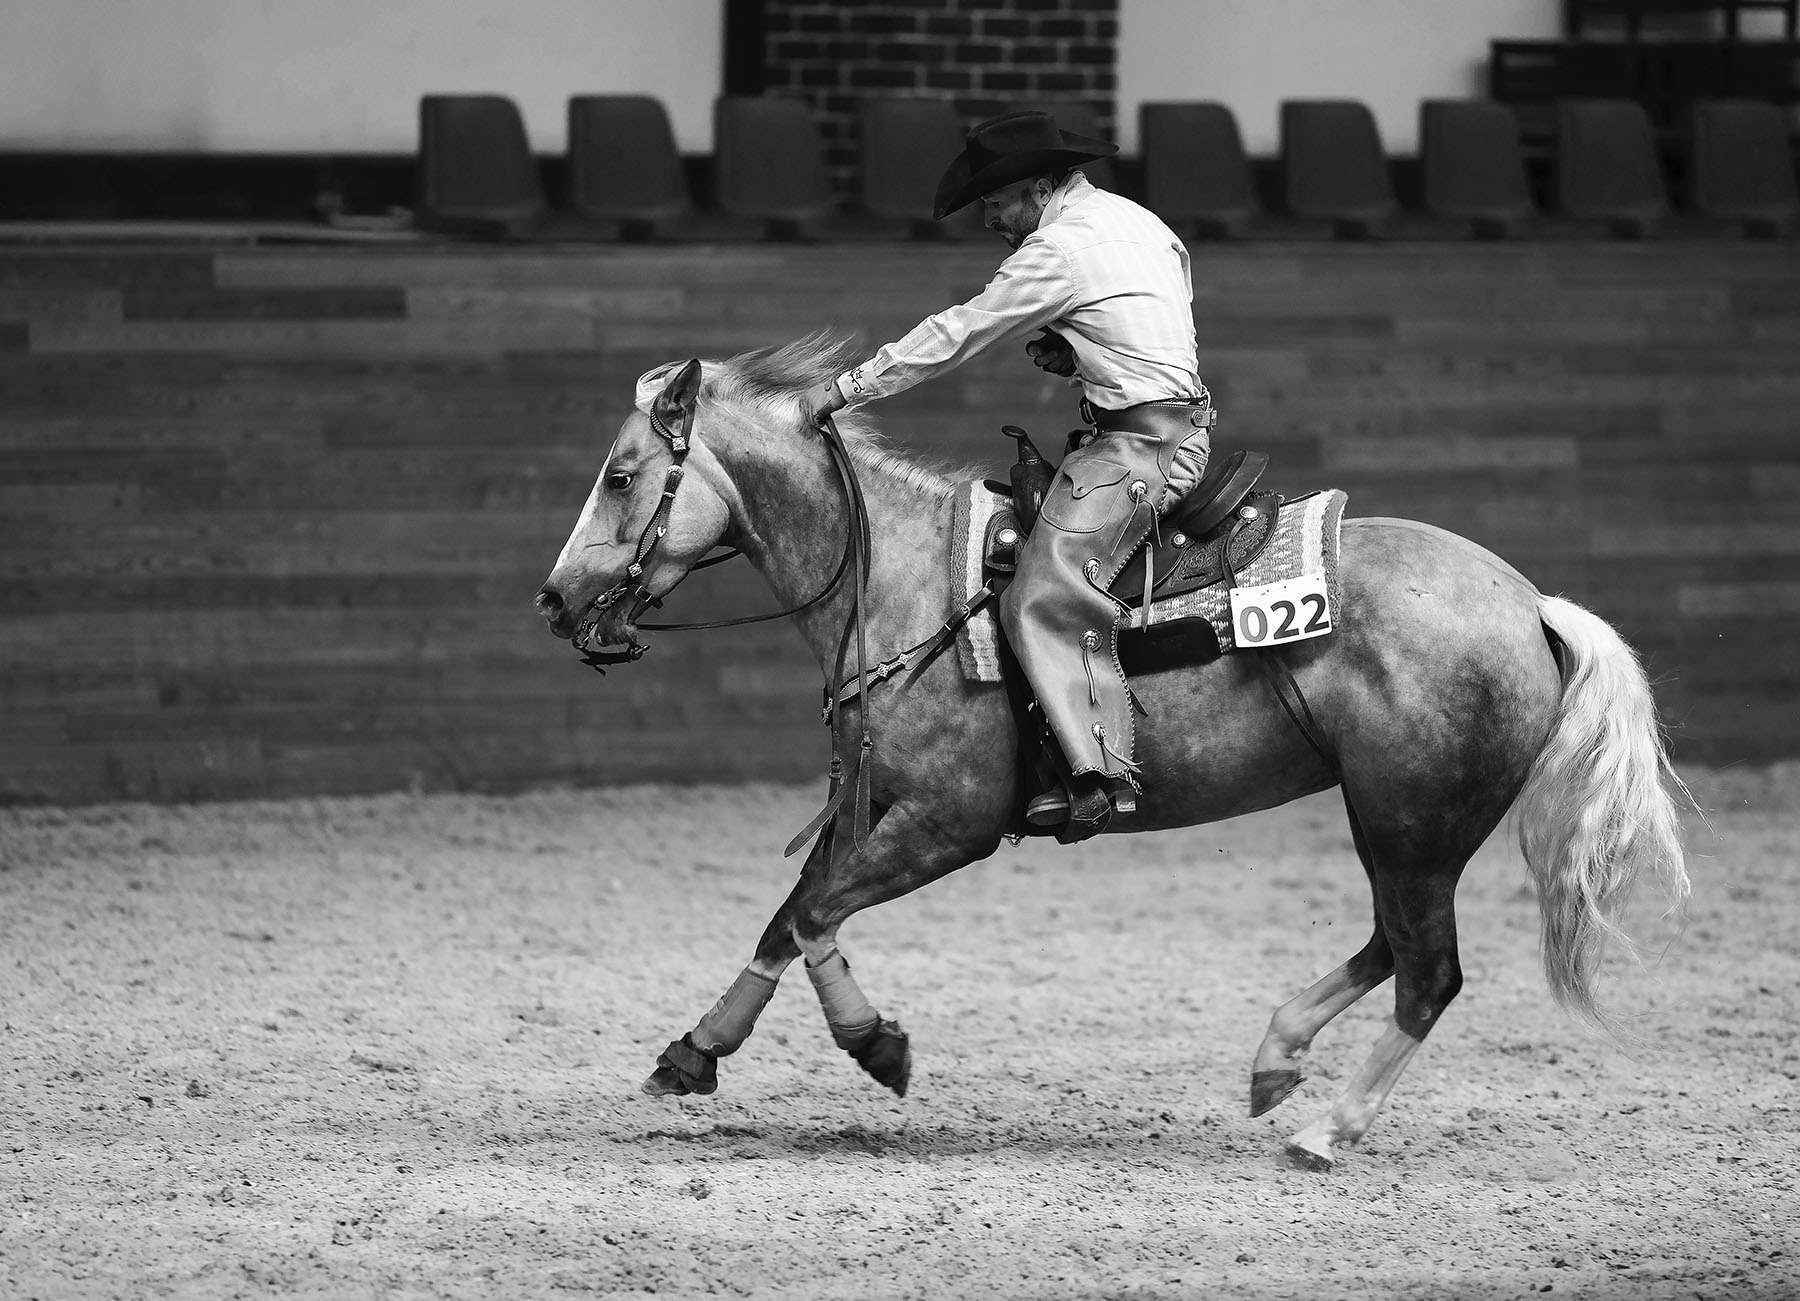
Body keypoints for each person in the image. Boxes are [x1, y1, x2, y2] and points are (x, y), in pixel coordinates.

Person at [807, 109, 1211, 841]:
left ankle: (1100, 772)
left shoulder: (1056, 250)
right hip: (1166, 428)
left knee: (1037, 594)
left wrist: (844, 389)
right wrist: (1080, 344)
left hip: (1140, 451)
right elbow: (1162, 314)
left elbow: (959, 331)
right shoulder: (1139, 221)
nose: (991, 217)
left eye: (996, 201)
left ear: (1035, 186)